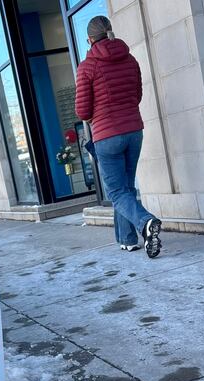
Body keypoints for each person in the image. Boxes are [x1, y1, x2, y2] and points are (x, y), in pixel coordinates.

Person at [75, 16, 162, 258]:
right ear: (110, 32)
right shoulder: (130, 59)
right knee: (125, 188)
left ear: (90, 39)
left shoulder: (87, 66)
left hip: (106, 135)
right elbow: (136, 96)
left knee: (116, 192)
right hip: (134, 130)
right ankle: (127, 239)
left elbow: (82, 111)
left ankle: (145, 222)